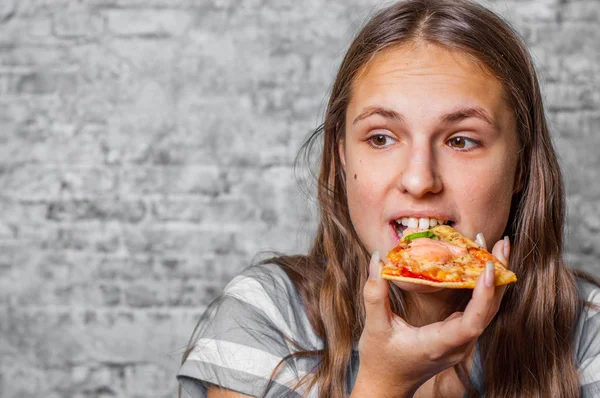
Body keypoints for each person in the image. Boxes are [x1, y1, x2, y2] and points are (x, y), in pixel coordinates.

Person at [178, 0, 600, 396]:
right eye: (381, 138)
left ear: (521, 168)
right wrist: (383, 383)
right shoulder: (268, 315)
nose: (419, 180)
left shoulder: (588, 330)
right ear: (342, 156)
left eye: (461, 140)